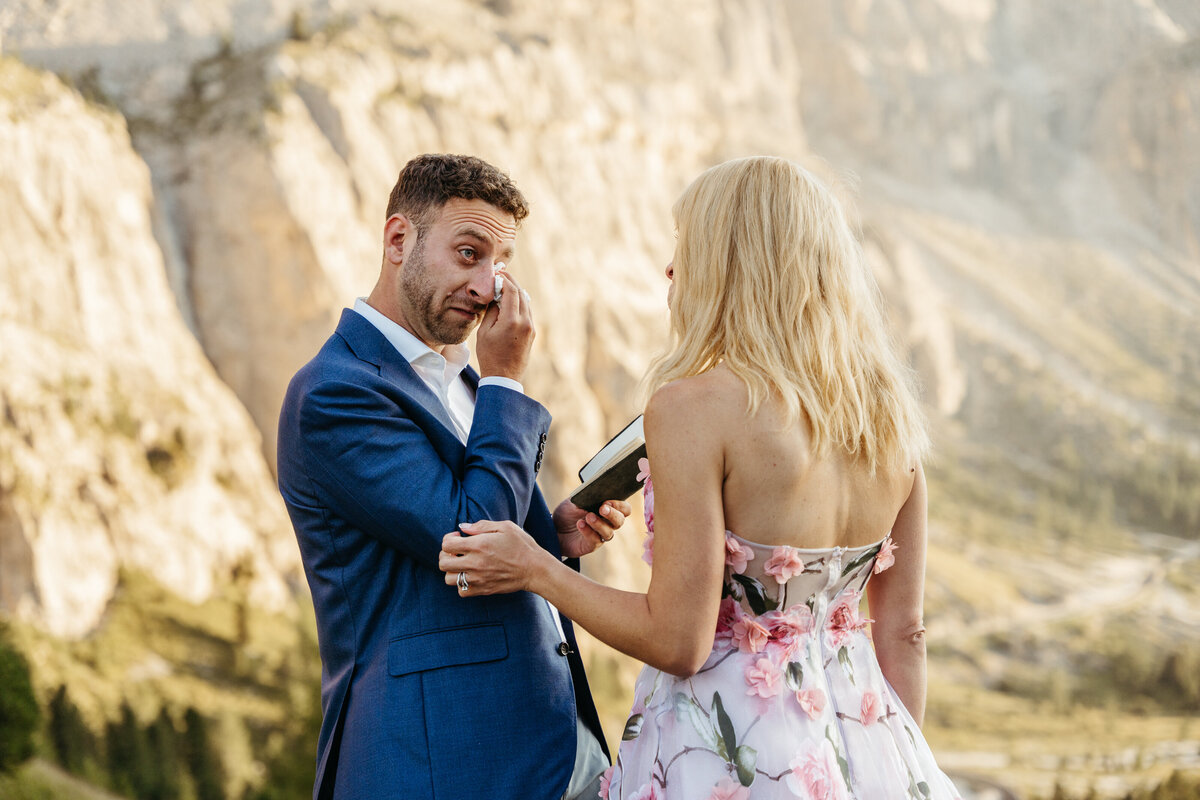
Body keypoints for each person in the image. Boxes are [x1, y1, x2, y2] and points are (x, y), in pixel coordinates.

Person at [439, 156, 963, 799]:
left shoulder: (692, 407)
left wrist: (535, 568)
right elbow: (903, 633)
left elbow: (677, 641)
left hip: (729, 758)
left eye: (688, 245)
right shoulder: (890, 427)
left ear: (731, 264)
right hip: (875, 756)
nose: (671, 268)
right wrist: (895, 761)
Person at [277, 153, 632, 800]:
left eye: (501, 264)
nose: (489, 286)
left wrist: (552, 540)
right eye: (469, 254)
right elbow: (470, 537)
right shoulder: (334, 393)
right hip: (440, 763)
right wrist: (504, 378)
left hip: (554, 749)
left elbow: (495, 540)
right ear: (397, 240)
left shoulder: (462, 380)